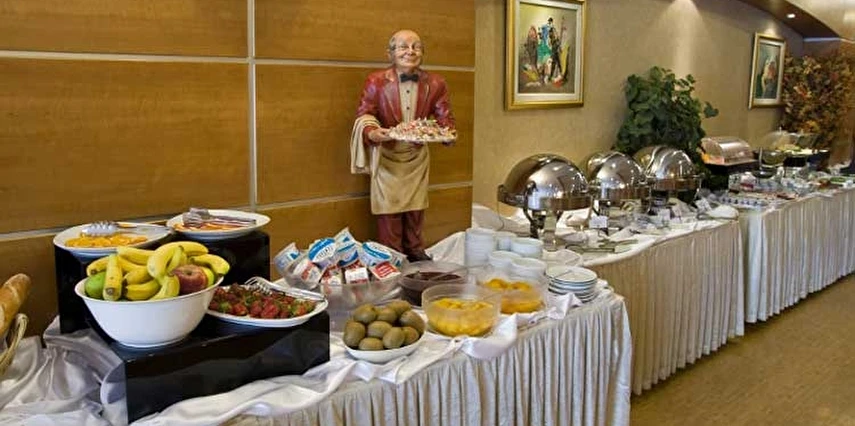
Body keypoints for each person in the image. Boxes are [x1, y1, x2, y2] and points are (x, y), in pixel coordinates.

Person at [349, 29, 456, 262]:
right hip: (387, 155)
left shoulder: (435, 83)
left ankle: (415, 250)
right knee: (389, 209)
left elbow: (444, 117)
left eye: (416, 47)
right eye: (403, 47)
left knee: (416, 207)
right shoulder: (376, 81)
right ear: (390, 53)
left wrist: (447, 132)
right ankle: (392, 255)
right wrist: (373, 132)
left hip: (417, 155)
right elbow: (365, 113)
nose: (410, 51)